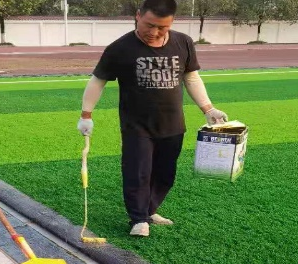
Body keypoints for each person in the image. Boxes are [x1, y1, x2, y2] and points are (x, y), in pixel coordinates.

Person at [77, 0, 227, 237]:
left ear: (172, 22)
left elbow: (191, 77)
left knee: (165, 173)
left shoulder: (183, 42)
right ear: (138, 16)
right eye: (149, 25)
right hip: (137, 125)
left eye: (162, 27)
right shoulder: (120, 48)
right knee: (138, 172)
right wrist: (86, 115)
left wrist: (208, 109)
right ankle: (138, 218)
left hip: (172, 123)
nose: (154, 32)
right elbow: (98, 80)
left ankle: (149, 210)